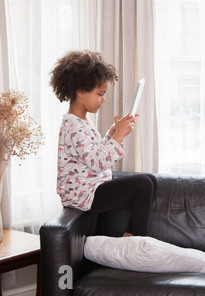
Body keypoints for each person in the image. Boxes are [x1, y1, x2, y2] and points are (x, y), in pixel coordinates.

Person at [50, 50, 157, 236]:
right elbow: (98, 162)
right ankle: (139, 239)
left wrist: (111, 135)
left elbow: (92, 154)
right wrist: (119, 136)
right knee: (143, 184)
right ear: (81, 91)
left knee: (150, 181)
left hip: (92, 189)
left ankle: (121, 235)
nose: (104, 99)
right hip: (83, 195)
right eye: (100, 94)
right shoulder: (73, 126)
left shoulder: (80, 122)